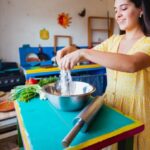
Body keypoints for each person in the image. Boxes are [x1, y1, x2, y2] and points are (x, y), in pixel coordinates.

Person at [56, 0, 150, 149]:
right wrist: (71, 49)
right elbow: (92, 53)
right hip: (111, 108)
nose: (118, 15)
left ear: (141, 10)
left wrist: (82, 52)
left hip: (138, 114)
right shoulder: (113, 40)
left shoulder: (147, 42)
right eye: (115, 10)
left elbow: (131, 64)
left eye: (123, 8)